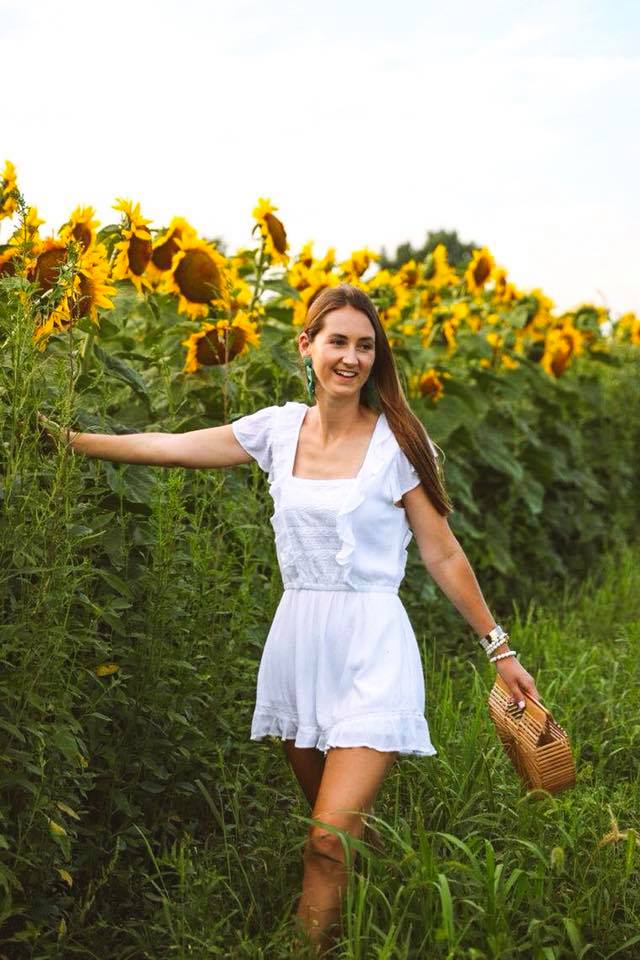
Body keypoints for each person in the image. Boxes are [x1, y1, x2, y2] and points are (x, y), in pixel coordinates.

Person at [39, 283, 540, 956]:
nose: (352, 358)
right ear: (306, 346)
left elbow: (443, 552)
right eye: (338, 341)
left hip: (371, 649)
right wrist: (70, 442)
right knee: (334, 835)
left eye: (366, 346)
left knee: (327, 839)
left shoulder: (397, 443)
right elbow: (172, 444)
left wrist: (499, 649)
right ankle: (376, 914)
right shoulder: (279, 430)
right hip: (297, 648)